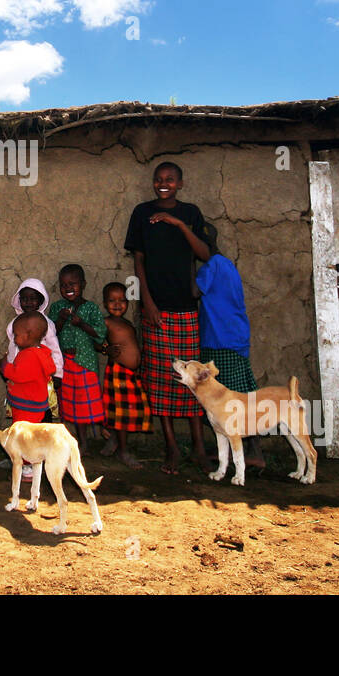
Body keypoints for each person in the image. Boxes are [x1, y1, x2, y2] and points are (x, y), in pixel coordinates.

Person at [123, 161, 213, 475]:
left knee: (193, 379)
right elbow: (139, 260)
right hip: (156, 308)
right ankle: (172, 447)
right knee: (160, 379)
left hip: (187, 308)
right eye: (159, 179)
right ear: (153, 182)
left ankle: (200, 447)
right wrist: (146, 302)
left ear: (180, 183)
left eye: (170, 179)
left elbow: (204, 255)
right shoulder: (141, 213)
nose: (164, 184)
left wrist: (179, 225)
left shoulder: (191, 213)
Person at [195, 249, 266, 471]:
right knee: (242, 393)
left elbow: (194, 291)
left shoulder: (213, 264)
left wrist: (189, 264)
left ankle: (249, 453)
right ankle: (254, 451)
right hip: (234, 337)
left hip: (220, 340)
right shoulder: (226, 264)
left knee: (229, 398)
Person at [49, 264, 107, 450]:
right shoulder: (58, 307)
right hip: (64, 363)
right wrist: (60, 319)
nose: (68, 289)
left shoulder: (90, 308)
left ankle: (101, 436)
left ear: (83, 284)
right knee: (69, 402)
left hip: (84, 362)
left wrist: (81, 323)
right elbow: (50, 333)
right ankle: (79, 442)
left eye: (72, 284)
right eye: (64, 285)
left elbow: (100, 333)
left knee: (87, 402)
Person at [99, 281, 151, 468]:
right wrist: (106, 349)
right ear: (105, 303)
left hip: (131, 374)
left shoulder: (128, 323)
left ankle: (114, 440)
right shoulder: (106, 322)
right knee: (120, 414)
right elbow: (95, 340)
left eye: (122, 300)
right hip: (118, 372)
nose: (117, 304)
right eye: (112, 300)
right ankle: (123, 451)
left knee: (128, 411)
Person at [0, 311, 58, 423]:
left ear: (28, 335)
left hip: (27, 406)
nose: (14, 339)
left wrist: (4, 366)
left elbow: (18, 374)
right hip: (35, 404)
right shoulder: (41, 352)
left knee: (25, 433)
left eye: (16, 335)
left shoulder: (29, 355)